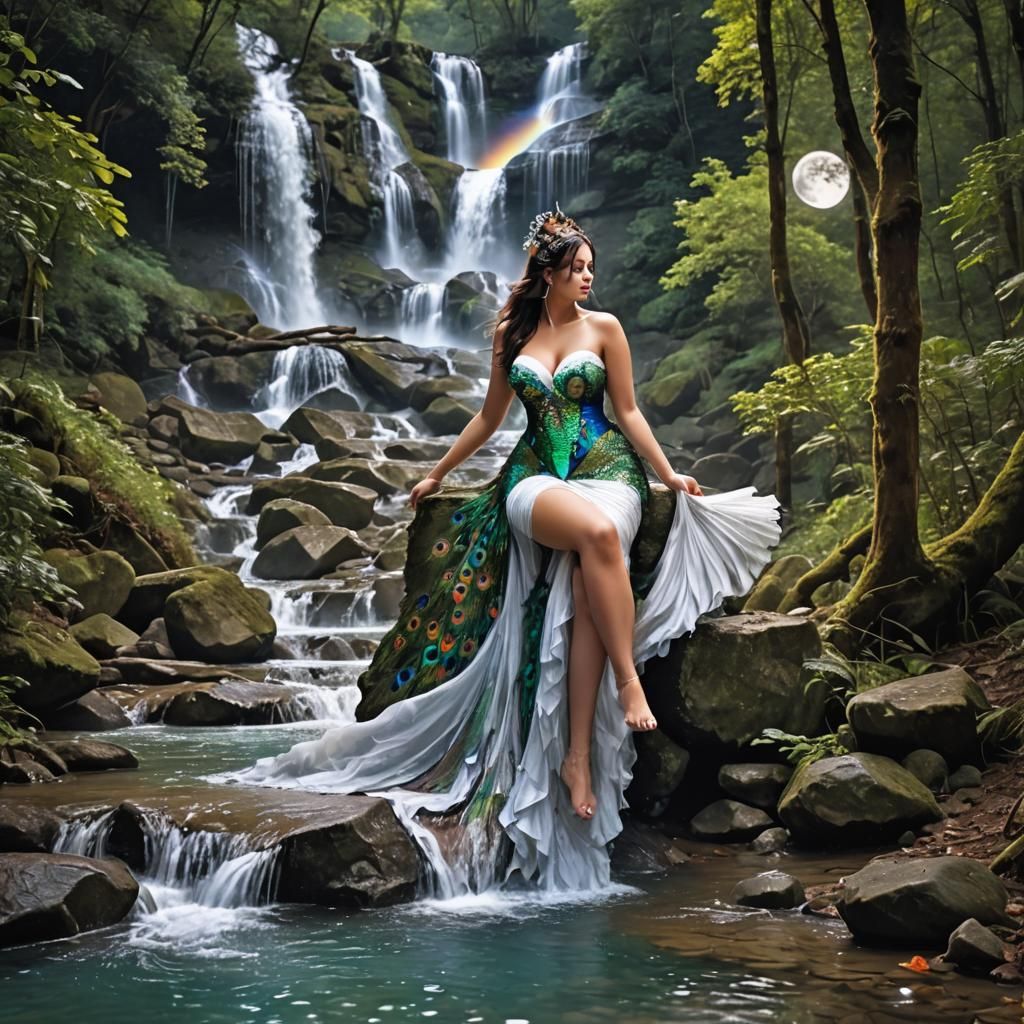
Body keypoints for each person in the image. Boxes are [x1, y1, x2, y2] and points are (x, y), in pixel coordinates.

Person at [215, 206, 782, 896]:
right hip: (533, 478)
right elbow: (488, 419)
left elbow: (627, 411)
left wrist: (668, 476)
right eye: (576, 267)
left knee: (587, 566)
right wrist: (437, 474)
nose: (587, 277)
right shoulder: (513, 336)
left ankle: (576, 757)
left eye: (590, 268)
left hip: (609, 473)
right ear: (546, 272)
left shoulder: (605, 330)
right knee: (594, 539)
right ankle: (627, 680)